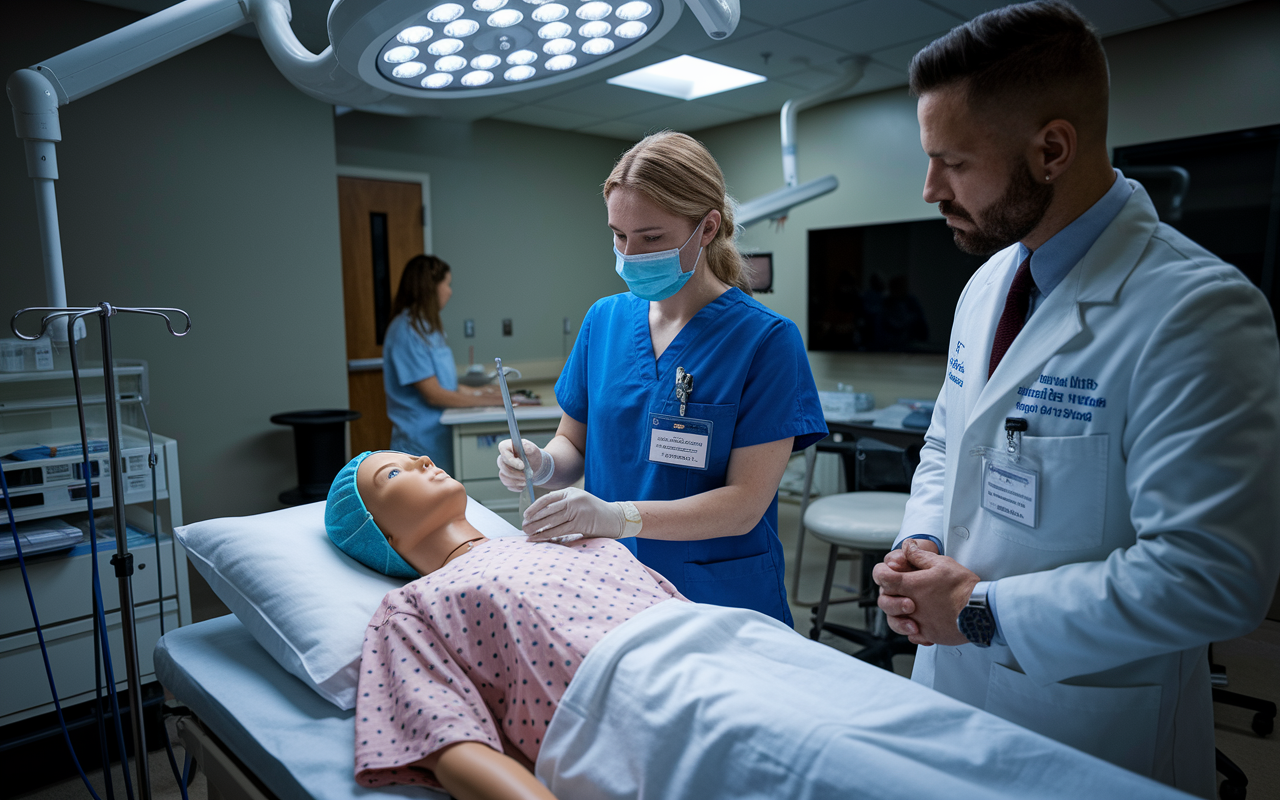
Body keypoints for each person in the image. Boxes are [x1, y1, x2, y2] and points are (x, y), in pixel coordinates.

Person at [870, 2, 1280, 795]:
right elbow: (950, 445)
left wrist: (981, 611)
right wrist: (917, 548)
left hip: (1086, 718)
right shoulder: (989, 282)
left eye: (952, 162)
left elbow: (1214, 577)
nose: (928, 189)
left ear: (1051, 150)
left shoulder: (1195, 311)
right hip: (952, 679)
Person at [324, 451, 1190, 800]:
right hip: (635, 697)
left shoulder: (564, 535)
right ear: (378, 533)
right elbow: (451, 743)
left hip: (742, 643)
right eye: (392, 471)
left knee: (958, 740)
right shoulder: (411, 609)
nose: (421, 457)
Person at [495, 132, 827, 626]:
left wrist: (619, 516)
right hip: (612, 580)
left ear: (707, 227)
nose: (630, 253)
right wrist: (542, 464)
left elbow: (744, 505)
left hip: (716, 596)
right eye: (618, 235)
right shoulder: (604, 321)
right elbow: (574, 445)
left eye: (651, 238)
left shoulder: (766, 341)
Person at [382, 254, 502, 474]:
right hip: (419, 444)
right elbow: (434, 394)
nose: (450, 291)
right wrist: (492, 401)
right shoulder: (406, 331)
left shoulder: (427, 328)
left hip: (439, 438)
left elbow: (448, 385)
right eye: (446, 284)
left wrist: (482, 393)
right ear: (430, 287)